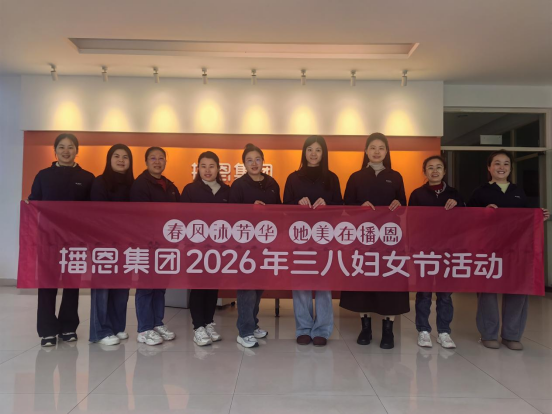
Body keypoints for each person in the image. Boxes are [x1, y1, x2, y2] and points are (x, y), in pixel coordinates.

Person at [468, 150, 549, 350]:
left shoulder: (518, 191)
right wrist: (482, 213)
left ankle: (512, 335)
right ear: (489, 168)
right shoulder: (480, 192)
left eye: (506, 163)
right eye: (497, 163)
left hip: (516, 250)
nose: (501, 167)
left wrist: (539, 216)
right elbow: (467, 219)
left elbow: (526, 218)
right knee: (487, 291)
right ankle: (488, 334)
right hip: (488, 249)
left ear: (511, 168)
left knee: (517, 289)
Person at [339, 132, 408, 349]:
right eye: (373, 147)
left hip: (390, 238)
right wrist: (359, 208)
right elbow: (346, 207)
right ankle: (366, 327)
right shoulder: (356, 177)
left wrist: (398, 204)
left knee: (390, 279)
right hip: (364, 237)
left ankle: (388, 330)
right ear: (366, 151)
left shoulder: (395, 176)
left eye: (381, 148)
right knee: (364, 278)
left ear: (386, 152)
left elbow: (403, 205)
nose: (377, 152)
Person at [28, 133, 95, 347]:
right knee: (47, 284)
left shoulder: (87, 177)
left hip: (75, 240)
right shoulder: (43, 176)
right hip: (48, 240)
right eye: (62, 147)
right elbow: (34, 204)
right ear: (55, 150)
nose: (66, 151)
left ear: (77, 150)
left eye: (71, 147)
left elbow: (93, 211)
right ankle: (47, 330)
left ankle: (68, 327)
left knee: (72, 284)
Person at [283, 135, 342, 347]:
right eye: (310, 149)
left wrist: (328, 204)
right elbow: (284, 207)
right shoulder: (293, 178)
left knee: (324, 282)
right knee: (301, 282)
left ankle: (322, 330)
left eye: (318, 149)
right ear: (304, 152)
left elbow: (340, 207)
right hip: (299, 236)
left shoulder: (332, 178)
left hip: (324, 236)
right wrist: (296, 203)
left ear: (323, 153)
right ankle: (303, 328)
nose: (313, 153)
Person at [409, 155, 465, 349]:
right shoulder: (417, 194)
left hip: (447, 250)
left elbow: (465, 219)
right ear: (424, 172)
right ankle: (423, 330)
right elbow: (411, 222)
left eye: (438, 167)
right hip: (424, 250)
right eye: (430, 167)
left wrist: (458, 205)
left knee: (445, 294)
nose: (435, 171)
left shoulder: (454, 193)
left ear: (444, 171)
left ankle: (444, 332)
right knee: (424, 292)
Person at [229, 144, 281, 348]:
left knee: (259, 286)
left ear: (263, 161)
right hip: (244, 245)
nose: (254, 163)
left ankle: (253, 323)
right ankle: (244, 331)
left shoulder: (272, 183)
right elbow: (231, 215)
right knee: (246, 287)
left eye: (257, 159)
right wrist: (250, 210)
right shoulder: (238, 185)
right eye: (249, 160)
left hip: (266, 243)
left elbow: (280, 211)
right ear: (244, 163)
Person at [130, 147, 180, 346]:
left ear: (165, 161)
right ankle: (144, 329)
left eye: (161, 158)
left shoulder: (170, 186)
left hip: (166, 245)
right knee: (146, 286)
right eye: (153, 158)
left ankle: (157, 322)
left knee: (160, 286)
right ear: (146, 162)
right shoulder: (140, 184)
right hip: (147, 244)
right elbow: (140, 215)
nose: (157, 162)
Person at [181, 151, 230, 346]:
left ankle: (209, 323)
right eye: (203, 166)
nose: (207, 170)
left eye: (211, 166)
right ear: (198, 168)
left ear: (218, 168)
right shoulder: (190, 190)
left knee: (212, 287)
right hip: (196, 248)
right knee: (198, 286)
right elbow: (183, 218)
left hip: (218, 248)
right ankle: (198, 327)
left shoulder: (226, 191)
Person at [89, 144, 134, 346]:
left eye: (125, 157)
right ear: (109, 159)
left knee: (121, 286)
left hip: (126, 242)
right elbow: (98, 214)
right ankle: (100, 331)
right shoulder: (100, 182)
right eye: (116, 156)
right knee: (102, 287)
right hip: (104, 243)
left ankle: (117, 326)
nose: (121, 160)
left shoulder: (133, 185)